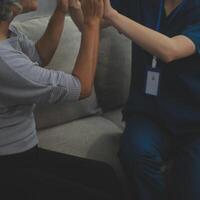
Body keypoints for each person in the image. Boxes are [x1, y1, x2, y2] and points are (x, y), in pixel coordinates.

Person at [70, 0, 200, 200]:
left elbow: (170, 50)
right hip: (149, 114)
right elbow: (87, 22)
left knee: (190, 190)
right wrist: (72, 6)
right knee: (135, 153)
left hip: (193, 122)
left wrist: (113, 15)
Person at [0, 0, 121, 199]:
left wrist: (61, 9)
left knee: (104, 175)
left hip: (24, 153)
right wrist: (91, 22)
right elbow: (81, 87)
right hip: (9, 165)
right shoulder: (4, 60)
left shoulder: (7, 33)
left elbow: (38, 56)